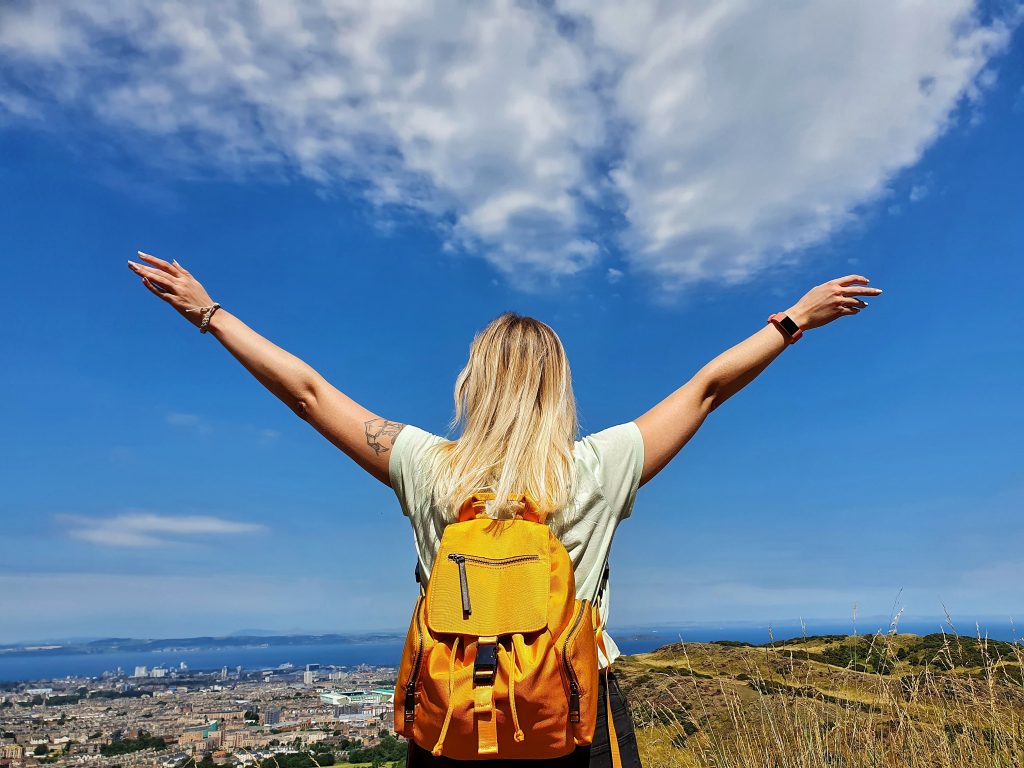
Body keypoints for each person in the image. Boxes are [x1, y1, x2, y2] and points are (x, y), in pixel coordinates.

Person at [126, 251, 883, 766]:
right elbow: (708, 388)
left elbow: (308, 393)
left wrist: (209, 312)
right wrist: (794, 318)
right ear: (560, 388)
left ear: (473, 383)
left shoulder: (427, 465)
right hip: (571, 720)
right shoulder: (597, 465)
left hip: (453, 722)